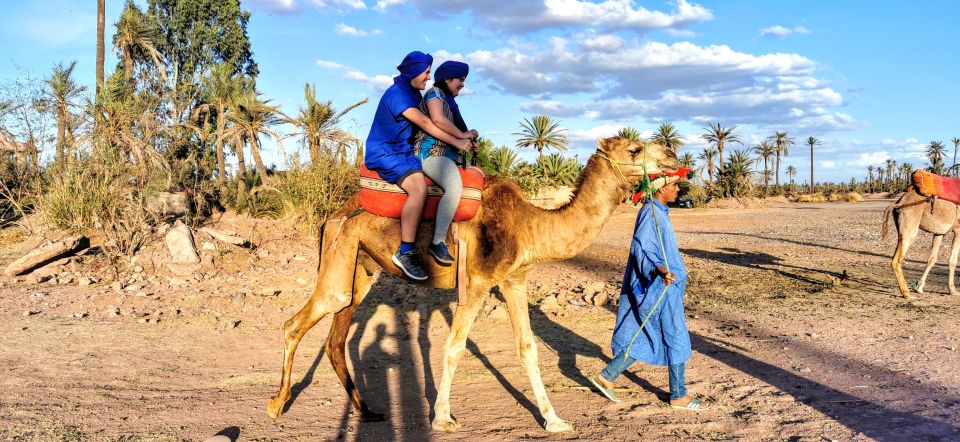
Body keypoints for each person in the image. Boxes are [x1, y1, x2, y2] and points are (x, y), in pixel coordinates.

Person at [589, 172, 711, 411]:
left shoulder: (659, 212)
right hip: (661, 287)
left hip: (668, 286)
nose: (678, 190)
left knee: (648, 334)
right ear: (660, 188)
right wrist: (660, 269)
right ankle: (678, 395)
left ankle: (607, 376)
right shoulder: (650, 213)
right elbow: (641, 248)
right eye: (674, 185)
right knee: (674, 336)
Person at [364, 51, 471, 281]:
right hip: (386, 151)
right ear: (414, 72)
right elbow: (427, 123)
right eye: (425, 73)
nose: (428, 78)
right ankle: (405, 251)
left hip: (403, 152)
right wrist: (459, 141)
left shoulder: (413, 94)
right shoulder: (397, 94)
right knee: (418, 188)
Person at [411, 60, 480, 265]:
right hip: (430, 153)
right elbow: (438, 120)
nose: (462, 84)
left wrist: (467, 141)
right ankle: (438, 241)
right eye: (460, 79)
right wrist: (461, 135)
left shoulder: (448, 101)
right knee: (454, 187)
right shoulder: (435, 94)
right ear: (447, 79)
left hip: (445, 155)